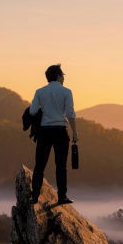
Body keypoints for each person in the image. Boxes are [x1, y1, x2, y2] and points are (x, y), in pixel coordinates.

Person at [29, 64, 78, 205]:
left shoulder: (39, 92)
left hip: (44, 132)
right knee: (61, 166)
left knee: (39, 165)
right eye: (63, 75)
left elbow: (32, 111)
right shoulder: (67, 92)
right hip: (60, 131)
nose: (63, 78)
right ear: (58, 76)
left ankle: (34, 196)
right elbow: (70, 113)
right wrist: (75, 132)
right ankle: (62, 197)